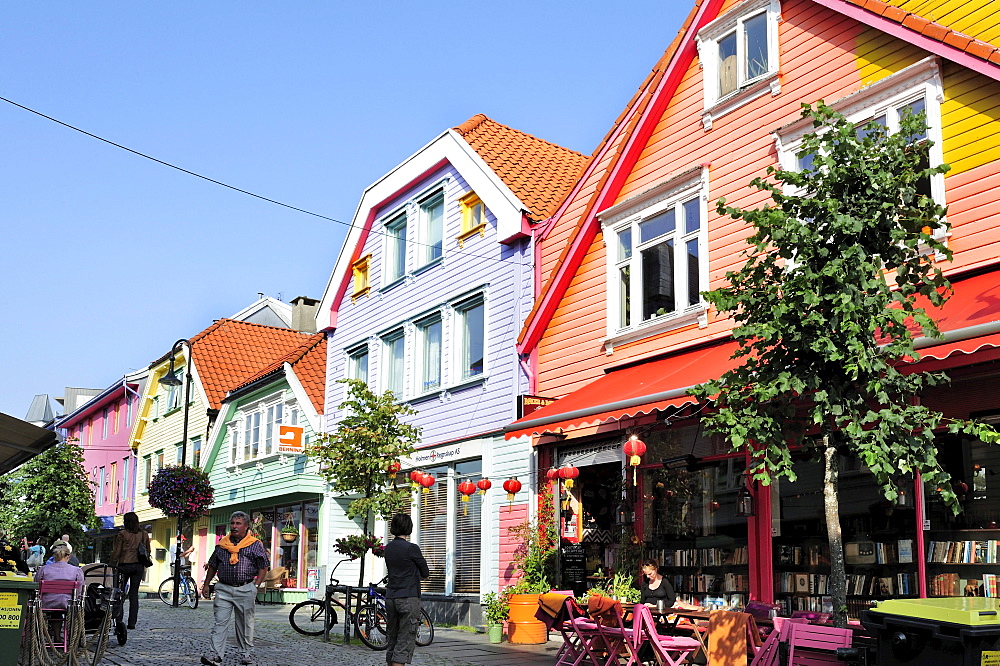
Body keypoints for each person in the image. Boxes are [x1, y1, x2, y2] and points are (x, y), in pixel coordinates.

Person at [200, 511, 269, 666]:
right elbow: (213, 565)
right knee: (220, 623)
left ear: (246, 526)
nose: (234, 526)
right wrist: (206, 584)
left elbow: (263, 567)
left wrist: (256, 586)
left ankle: (246, 654)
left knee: (245, 623)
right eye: (232, 523)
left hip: (245, 588)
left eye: (238, 524)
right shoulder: (222, 544)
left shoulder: (254, 544)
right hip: (224, 589)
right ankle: (216, 656)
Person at [384, 513, 430, 666]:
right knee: (405, 640)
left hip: (391, 597)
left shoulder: (388, 548)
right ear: (409, 528)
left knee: (393, 638)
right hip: (408, 598)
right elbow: (425, 572)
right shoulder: (412, 548)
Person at [110, 511, 151, 629]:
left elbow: (117, 551)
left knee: (120, 593)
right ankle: (132, 622)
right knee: (134, 594)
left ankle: (119, 620)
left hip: (124, 565)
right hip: (138, 566)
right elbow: (148, 550)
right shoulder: (144, 534)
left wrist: (112, 564)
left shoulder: (122, 534)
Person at [35, 543, 85, 609]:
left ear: (54, 556)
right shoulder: (77, 571)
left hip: (46, 603)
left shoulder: (44, 569)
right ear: (68, 556)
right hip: (68, 604)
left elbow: (36, 585)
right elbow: (80, 591)